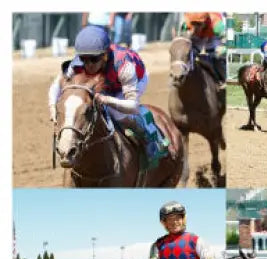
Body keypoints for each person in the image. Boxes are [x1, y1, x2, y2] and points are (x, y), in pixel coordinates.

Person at [47, 25, 166, 165]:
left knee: (117, 113)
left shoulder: (124, 65)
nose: (88, 65)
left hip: (133, 81)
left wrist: (107, 100)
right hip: (106, 81)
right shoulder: (77, 62)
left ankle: (148, 137)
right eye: (84, 59)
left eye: (93, 59)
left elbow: (132, 105)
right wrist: (52, 106)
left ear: (104, 55)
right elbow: (57, 85)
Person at [182, 13, 227, 87]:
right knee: (188, 53)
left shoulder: (217, 25)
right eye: (194, 23)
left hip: (212, 36)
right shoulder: (186, 24)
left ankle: (223, 79)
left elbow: (229, 41)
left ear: (205, 21)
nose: (196, 26)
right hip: (196, 36)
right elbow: (182, 41)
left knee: (217, 56)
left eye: (199, 24)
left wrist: (223, 48)